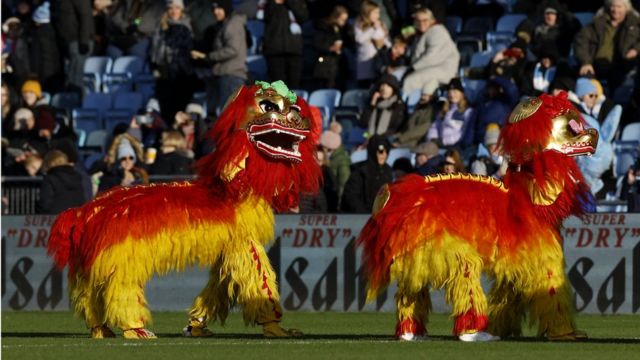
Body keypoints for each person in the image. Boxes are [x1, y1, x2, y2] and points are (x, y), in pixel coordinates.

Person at [191, 0, 247, 115]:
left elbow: (233, 49)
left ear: (226, 9)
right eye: (214, 9)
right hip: (225, 74)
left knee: (229, 114)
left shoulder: (232, 25)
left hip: (231, 74)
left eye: (219, 9)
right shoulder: (225, 24)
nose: (216, 12)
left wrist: (209, 56)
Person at [573, 0, 640, 91]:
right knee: (584, 83)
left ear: (626, 8)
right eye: (613, 6)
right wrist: (585, 62)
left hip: (622, 66)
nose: (615, 10)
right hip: (594, 64)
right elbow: (581, 40)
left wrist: (636, 49)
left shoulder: (635, 24)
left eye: (619, 7)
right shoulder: (598, 22)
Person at [151, 0, 195, 122]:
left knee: (182, 114)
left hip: (183, 77)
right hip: (164, 77)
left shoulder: (188, 26)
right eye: (171, 8)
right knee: (166, 114)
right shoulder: (160, 28)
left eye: (177, 8)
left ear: (182, 9)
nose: (174, 11)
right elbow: (154, 53)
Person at [401, 7, 459, 95]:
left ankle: (403, 104)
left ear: (432, 20)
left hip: (442, 69)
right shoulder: (419, 34)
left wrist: (413, 68)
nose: (421, 23)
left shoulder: (438, 31)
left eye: (425, 20)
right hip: (426, 68)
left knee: (410, 80)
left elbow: (432, 57)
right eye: (418, 20)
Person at [262, 0, 308, 89]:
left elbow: (303, 17)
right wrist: (274, 3)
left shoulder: (297, 2)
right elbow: (265, 16)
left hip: (294, 50)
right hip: (274, 50)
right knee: (278, 88)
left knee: (294, 87)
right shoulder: (269, 3)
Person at [341, 135, 393, 213]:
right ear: (373, 151)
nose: (384, 155)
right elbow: (351, 197)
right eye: (381, 151)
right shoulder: (360, 172)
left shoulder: (387, 171)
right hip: (362, 218)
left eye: (387, 151)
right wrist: (364, 215)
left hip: (383, 218)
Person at [51, 0, 95, 90]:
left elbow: (85, 17)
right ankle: (70, 98)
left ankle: (77, 98)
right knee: (70, 75)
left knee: (76, 76)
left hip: (78, 41)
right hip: (66, 42)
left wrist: (84, 40)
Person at [426, 78, 475, 150]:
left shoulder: (467, 111)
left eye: (455, 92)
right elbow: (435, 126)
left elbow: (463, 132)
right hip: (439, 145)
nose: (452, 95)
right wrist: (432, 139)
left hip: (455, 146)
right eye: (449, 92)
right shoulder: (445, 109)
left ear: (462, 94)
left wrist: (444, 141)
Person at [27, 2, 63, 93]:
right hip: (55, 70)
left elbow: (36, 54)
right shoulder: (53, 31)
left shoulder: (37, 34)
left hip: (43, 72)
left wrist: (34, 71)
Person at [37, 149, 87, 214]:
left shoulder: (50, 178)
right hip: (76, 216)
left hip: (56, 218)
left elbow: (45, 204)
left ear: (49, 163)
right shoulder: (78, 177)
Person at [312, 5, 350, 89]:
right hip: (325, 66)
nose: (344, 22)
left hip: (336, 65)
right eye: (342, 19)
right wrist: (331, 48)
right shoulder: (323, 27)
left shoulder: (339, 29)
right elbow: (317, 43)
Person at [354, 0, 390, 88]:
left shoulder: (380, 24)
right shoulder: (359, 24)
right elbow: (359, 39)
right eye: (375, 13)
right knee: (364, 87)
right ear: (367, 13)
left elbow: (385, 39)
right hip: (365, 62)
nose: (377, 16)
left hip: (378, 62)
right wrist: (372, 29)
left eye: (378, 13)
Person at [392, 79, 437, 148]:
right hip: (405, 139)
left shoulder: (431, 111)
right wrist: (395, 137)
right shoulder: (419, 108)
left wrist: (400, 139)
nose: (422, 97)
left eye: (425, 95)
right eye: (422, 94)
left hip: (414, 143)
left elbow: (421, 130)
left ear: (431, 97)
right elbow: (407, 128)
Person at [474, 76, 519, 144]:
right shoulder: (482, 102)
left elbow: (512, 89)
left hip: (502, 138)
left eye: (494, 87)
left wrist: (496, 78)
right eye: (490, 88)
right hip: (484, 141)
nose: (491, 90)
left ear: (499, 88)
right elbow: (475, 123)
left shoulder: (506, 100)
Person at [320, 127, 350, 210]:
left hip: (335, 201)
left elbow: (343, 183)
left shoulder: (341, 161)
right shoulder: (332, 158)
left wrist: (339, 203)